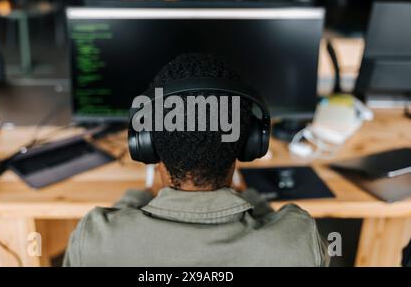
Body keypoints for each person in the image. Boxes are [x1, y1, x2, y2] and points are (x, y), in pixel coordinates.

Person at [63, 53, 329, 267]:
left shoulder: (95, 240)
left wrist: (143, 196)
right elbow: (272, 231)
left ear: (147, 145)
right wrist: (247, 196)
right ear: (250, 142)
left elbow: (116, 222)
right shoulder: (298, 242)